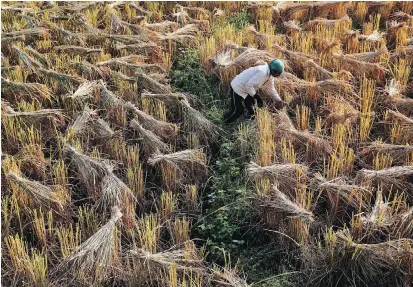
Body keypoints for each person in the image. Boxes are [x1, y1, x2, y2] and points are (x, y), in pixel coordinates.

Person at [224, 59, 285, 123]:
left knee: (253, 108)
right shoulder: (262, 72)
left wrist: (279, 100)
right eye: (278, 73)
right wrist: (256, 97)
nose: (278, 75)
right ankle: (224, 123)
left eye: (279, 73)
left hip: (247, 90)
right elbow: (248, 85)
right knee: (238, 111)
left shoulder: (270, 75)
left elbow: (271, 89)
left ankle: (247, 123)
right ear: (274, 70)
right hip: (238, 87)